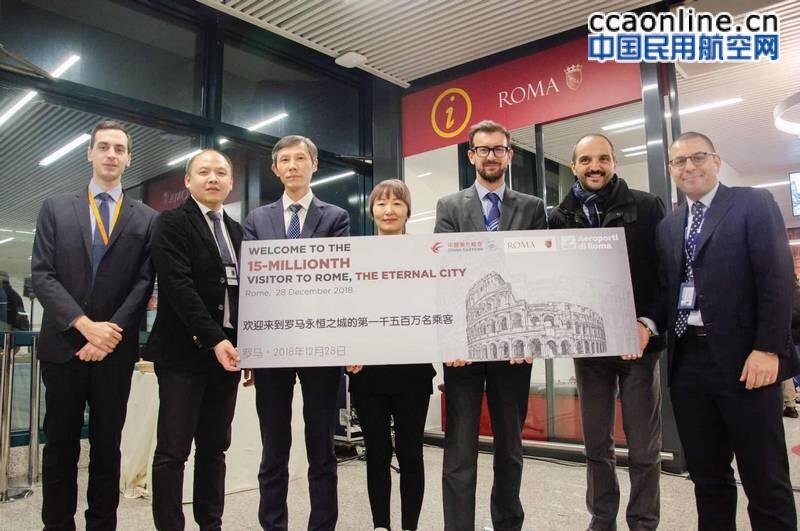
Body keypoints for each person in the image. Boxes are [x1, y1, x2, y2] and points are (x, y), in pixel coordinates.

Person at [655, 132, 799, 530]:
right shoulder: (669, 226)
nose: (689, 167)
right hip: (688, 365)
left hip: (747, 361)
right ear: (671, 169)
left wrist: (769, 348)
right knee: (708, 479)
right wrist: (645, 324)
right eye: (679, 161)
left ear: (716, 161)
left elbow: (777, 278)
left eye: (698, 157)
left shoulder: (752, 203)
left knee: (765, 478)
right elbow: (667, 292)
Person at [31, 120, 156, 530]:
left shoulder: (146, 218)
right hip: (64, 347)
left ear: (129, 158)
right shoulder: (55, 208)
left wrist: (108, 334)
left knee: (107, 448)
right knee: (60, 446)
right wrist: (86, 327)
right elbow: (43, 275)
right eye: (103, 146)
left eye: (119, 148)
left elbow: (144, 283)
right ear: (89, 153)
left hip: (114, 353)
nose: (111, 154)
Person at [547, 133, 664, 530]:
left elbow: (664, 274)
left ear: (614, 162)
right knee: (597, 443)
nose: (594, 166)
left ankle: (643, 523)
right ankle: (602, 519)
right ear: (573, 166)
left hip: (638, 344)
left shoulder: (646, 207)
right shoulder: (559, 218)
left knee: (644, 446)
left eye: (602, 159)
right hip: (590, 345)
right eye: (585, 160)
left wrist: (647, 323)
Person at [434, 120, 546, 531]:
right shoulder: (450, 206)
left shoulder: (532, 208)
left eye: (499, 149)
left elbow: (539, 274)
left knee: (510, 447)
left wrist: (530, 337)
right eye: (483, 150)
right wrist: (451, 339)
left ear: (509, 155)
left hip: (513, 347)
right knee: (459, 448)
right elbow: (446, 275)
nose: (491, 156)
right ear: (471, 156)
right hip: (463, 348)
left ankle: (508, 523)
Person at [242, 135, 350, 531]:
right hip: (272, 346)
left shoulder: (336, 217)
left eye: (300, 158)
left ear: (314, 164)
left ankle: (322, 525)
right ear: (275, 169)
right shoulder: (257, 220)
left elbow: (338, 280)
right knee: (274, 447)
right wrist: (250, 350)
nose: (292, 165)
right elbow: (251, 288)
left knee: (321, 446)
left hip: (320, 344)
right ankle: (274, 525)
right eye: (284, 160)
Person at [146, 149, 243, 530]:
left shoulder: (237, 232)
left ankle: (210, 524)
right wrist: (215, 339)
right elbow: (178, 286)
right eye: (204, 172)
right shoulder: (171, 223)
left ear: (231, 182)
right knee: (173, 451)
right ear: (188, 181)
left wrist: (250, 348)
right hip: (182, 356)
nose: (213, 178)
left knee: (215, 448)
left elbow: (248, 294)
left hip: (228, 356)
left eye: (221, 172)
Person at [345, 179, 437, 531]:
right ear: (371, 211)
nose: (388, 210)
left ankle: (410, 526)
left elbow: (436, 304)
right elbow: (344, 308)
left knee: (412, 454)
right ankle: (380, 525)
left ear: (407, 211)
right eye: (381, 203)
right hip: (368, 372)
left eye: (397, 203)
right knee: (377, 454)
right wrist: (348, 349)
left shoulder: (426, 254)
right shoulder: (356, 255)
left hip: (413, 370)